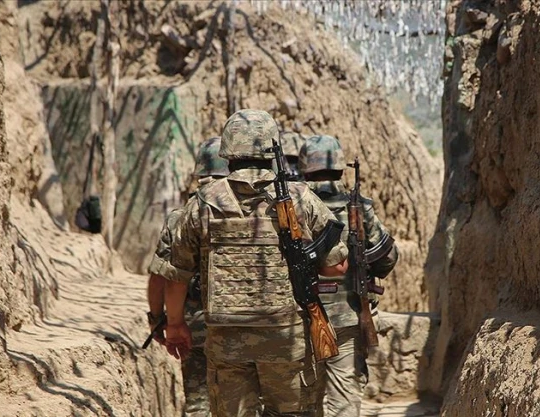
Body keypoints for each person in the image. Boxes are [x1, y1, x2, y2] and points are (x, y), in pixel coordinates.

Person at [163, 109, 349, 417]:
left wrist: (174, 324)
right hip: (286, 341)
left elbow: (176, 275)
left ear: (227, 149)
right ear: (272, 150)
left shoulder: (203, 202)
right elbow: (336, 267)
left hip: (226, 342)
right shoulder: (300, 197)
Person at [298, 134, 398, 417]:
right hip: (347, 317)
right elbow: (387, 257)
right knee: (344, 402)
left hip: (300, 317)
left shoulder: (292, 207)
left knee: (303, 402)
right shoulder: (359, 206)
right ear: (341, 168)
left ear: (304, 169)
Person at [146, 136, 228, 417]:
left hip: (195, 323)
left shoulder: (181, 216)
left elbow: (161, 276)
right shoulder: (253, 215)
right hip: (244, 322)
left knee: (199, 403)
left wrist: (159, 319)